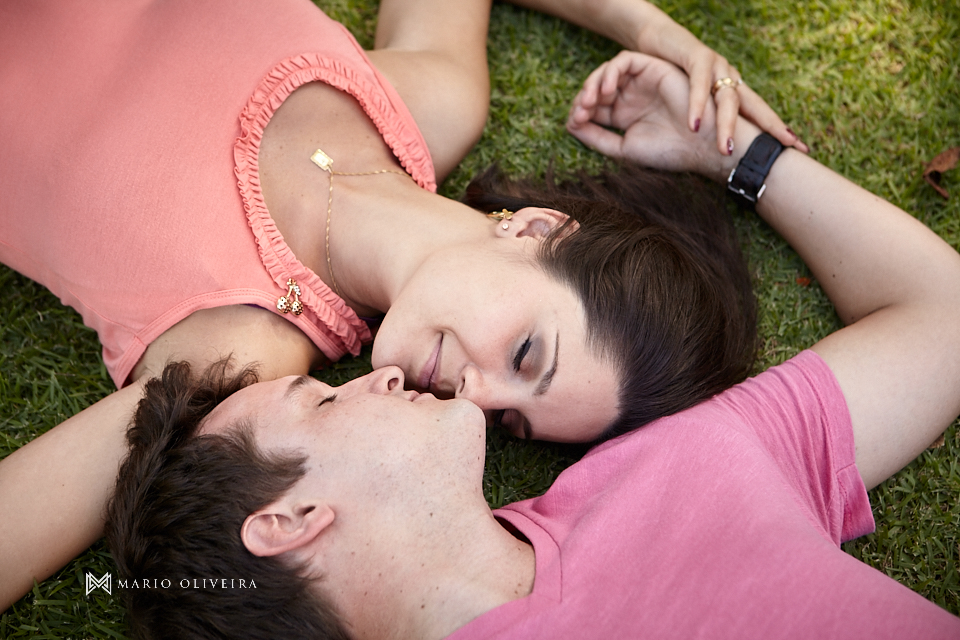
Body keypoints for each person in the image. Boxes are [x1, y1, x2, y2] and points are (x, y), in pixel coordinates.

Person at [104, 53, 960, 639]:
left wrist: (736, 151)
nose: (453, 392)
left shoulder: (677, 462)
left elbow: (942, 317)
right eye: (322, 398)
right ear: (290, 520)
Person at [0, 0, 803, 609]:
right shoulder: (437, 99)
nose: (470, 404)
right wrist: (661, 35)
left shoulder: (242, 356)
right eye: (527, 356)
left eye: (508, 422)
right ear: (536, 229)